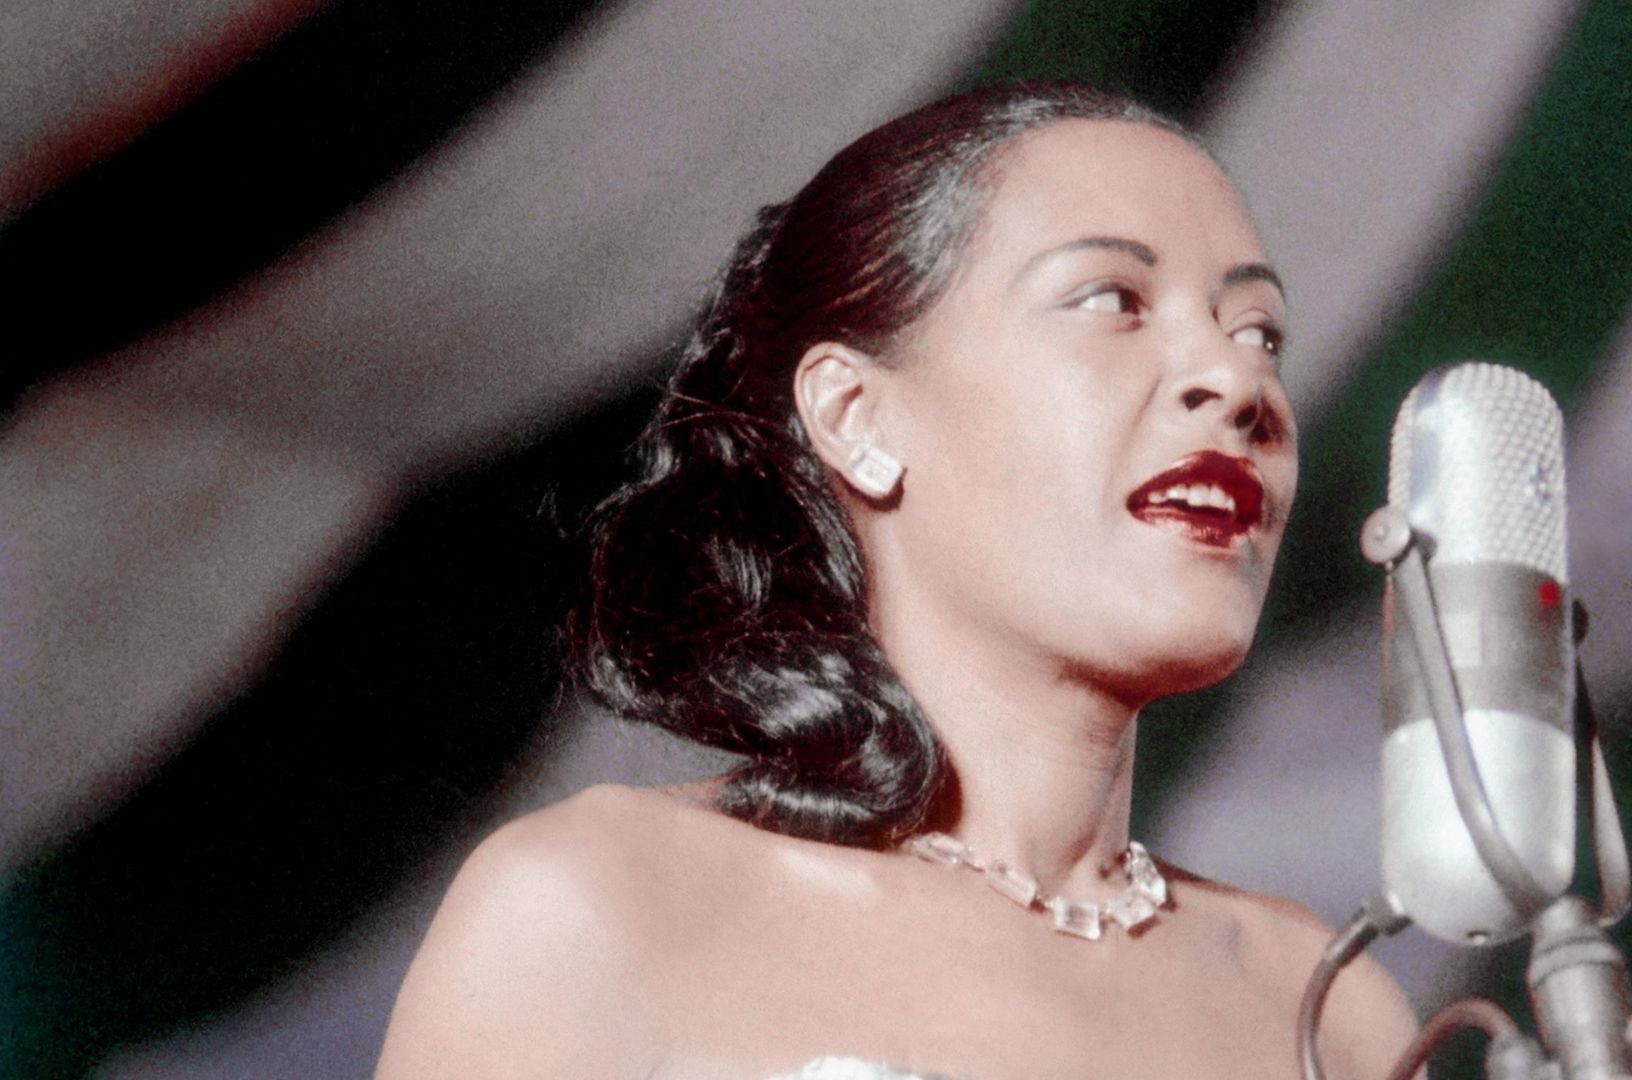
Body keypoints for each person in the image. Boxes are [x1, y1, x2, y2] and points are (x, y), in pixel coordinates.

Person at [375, 82, 1415, 1079]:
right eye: (1112, 300)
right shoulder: (606, 904)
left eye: (1260, 332)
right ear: (858, 419)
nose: (1237, 382)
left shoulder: (1329, 1007)